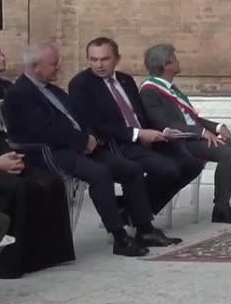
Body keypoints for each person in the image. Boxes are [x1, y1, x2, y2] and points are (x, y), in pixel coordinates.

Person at [4, 42, 171, 257]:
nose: (59, 67)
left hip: (78, 146)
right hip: (48, 153)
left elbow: (79, 117)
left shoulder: (53, 90)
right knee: (99, 174)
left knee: (130, 168)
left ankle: (145, 228)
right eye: (54, 64)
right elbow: (46, 130)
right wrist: (83, 141)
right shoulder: (19, 94)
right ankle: (119, 237)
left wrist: (90, 137)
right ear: (36, 67)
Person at [68, 37, 202, 240]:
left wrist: (160, 131)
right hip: (117, 144)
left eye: (105, 59)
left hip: (146, 137)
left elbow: (141, 113)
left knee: (191, 164)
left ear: (117, 59)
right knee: (167, 168)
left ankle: (129, 208)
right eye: (93, 59)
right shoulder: (81, 85)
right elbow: (95, 124)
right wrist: (138, 134)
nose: (99, 65)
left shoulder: (125, 80)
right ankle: (142, 223)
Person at [139, 43, 231, 224]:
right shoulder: (149, 91)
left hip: (195, 136)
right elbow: (164, 123)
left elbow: (191, 118)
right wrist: (200, 132)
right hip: (180, 142)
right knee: (227, 153)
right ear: (166, 65)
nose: (179, 61)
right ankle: (221, 209)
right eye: (175, 59)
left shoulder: (170, 87)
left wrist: (217, 127)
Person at [0, 44, 75, 278]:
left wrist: (7, 155)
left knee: (49, 181)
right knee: (18, 187)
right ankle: (5, 263)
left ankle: (46, 256)